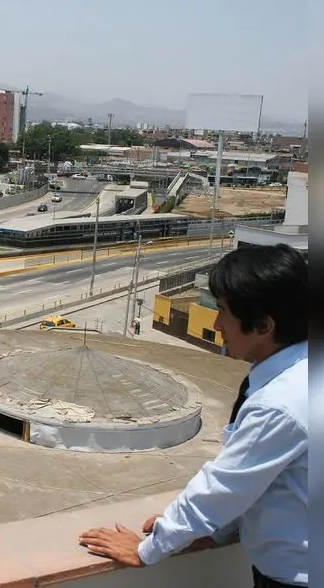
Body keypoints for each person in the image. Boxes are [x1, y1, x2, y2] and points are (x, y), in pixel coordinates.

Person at [78, 243, 308, 587]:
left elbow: (223, 487)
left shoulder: (280, 404)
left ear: (263, 326)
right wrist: (201, 529)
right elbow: (262, 478)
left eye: (224, 313)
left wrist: (148, 549)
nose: (217, 324)